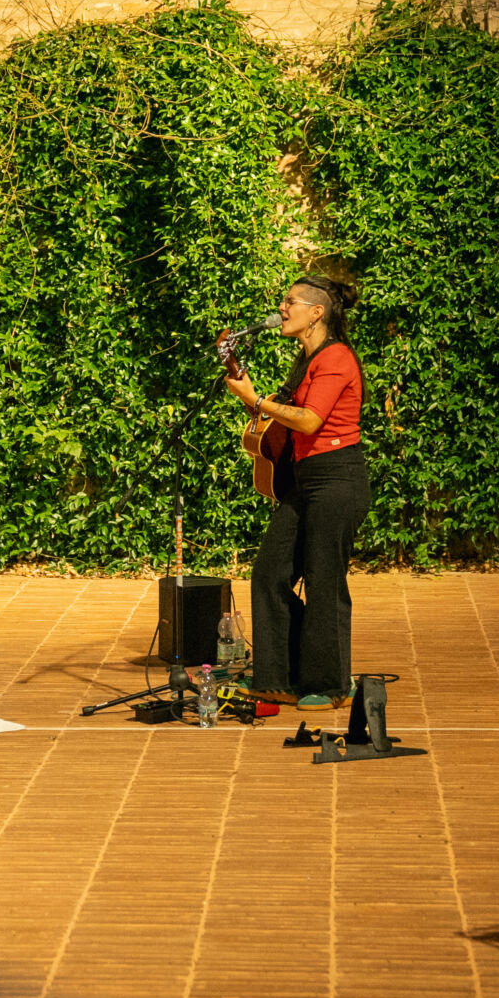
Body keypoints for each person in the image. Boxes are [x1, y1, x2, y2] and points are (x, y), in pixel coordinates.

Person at [223, 275, 370, 708]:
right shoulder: (306, 360)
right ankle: (278, 678)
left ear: (316, 312)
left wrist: (255, 401)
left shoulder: (336, 357)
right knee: (270, 574)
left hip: (337, 478)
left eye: (291, 302)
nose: (282, 309)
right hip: (305, 480)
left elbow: (309, 420)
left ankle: (331, 684)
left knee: (324, 582)